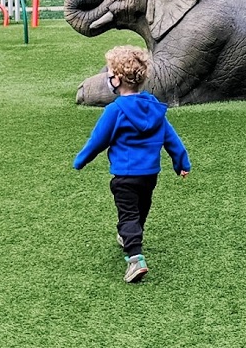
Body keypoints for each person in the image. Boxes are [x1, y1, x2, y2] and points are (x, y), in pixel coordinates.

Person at [73, 45, 191, 283]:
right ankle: (129, 236)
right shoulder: (155, 110)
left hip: (125, 175)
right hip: (149, 175)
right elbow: (172, 140)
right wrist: (181, 163)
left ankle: (135, 258)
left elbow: (98, 140)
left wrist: (81, 160)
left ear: (117, 79)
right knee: (139, 210)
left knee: (128, 213)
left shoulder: (114, 111)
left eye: (109, 74)